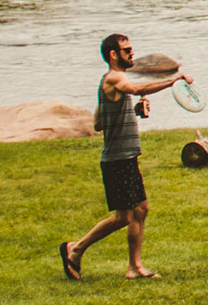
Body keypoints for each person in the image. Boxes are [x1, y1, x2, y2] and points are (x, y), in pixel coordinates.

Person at [62, 32, 178, 279]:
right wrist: (172, 81)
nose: (132, 53)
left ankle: (134, 267)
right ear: (113, 55)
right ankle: (76, 249)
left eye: (132, 49)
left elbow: (98, 123)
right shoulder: (115, 78)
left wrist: (130, 111)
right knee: (123, 217)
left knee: (141, 209)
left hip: (126, 156)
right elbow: (135, 88)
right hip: (117, 159)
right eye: (127, 50)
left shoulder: (112, 82)